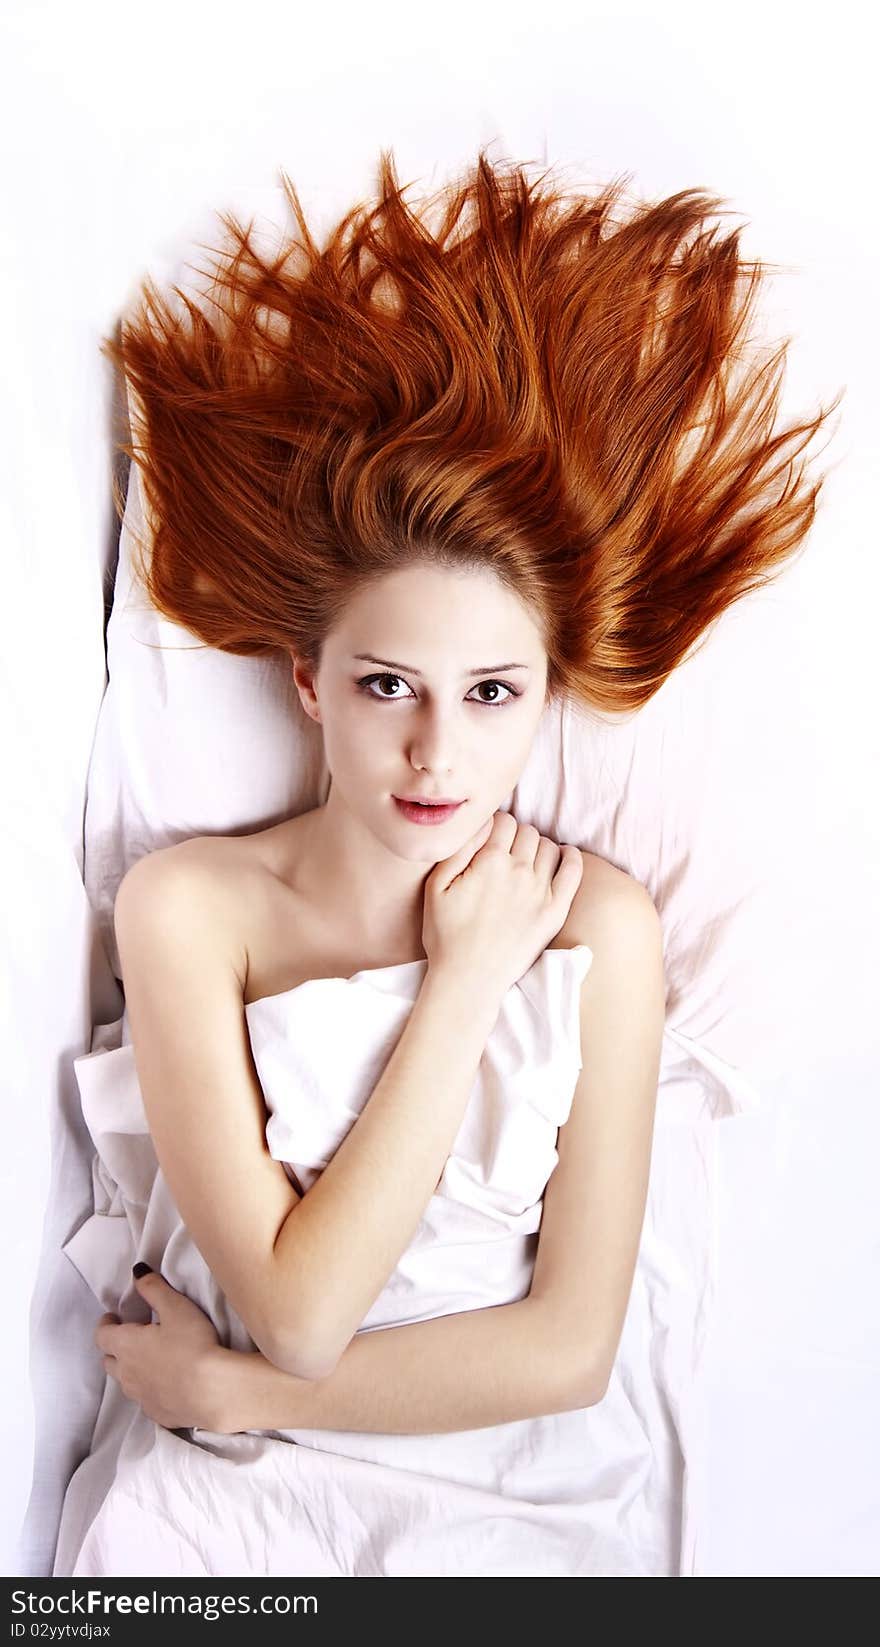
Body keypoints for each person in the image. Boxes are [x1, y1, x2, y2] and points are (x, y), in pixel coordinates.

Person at [88, 146, 840, 1540]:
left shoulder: (599, 925)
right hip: (228, 1494)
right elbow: (300, 1312)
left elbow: (565, 1351)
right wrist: (461, 984)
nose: (438, 754)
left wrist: (245, 1392)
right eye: (389, 688)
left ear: (543, 701)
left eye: (490, 695)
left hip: (509, 1475)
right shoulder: (190, 907)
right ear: (309, 684)